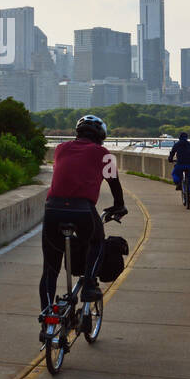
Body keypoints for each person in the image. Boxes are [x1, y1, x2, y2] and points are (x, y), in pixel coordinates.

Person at [40, 115, 126, 341]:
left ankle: (47, 317)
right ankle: (88, 283)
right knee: (97, 241)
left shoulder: (60, 148)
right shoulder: (103, 153)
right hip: (82, 210)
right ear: (100, 137)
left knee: (50, 268)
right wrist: (119, 206)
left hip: (52, 210)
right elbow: (114, 184)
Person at [168, 131, 190, 199]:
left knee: (174, 174)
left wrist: (170, 159)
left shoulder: (177, 144)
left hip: (180, 165)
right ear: (187, 138)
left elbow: (172, 153)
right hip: (188, 165)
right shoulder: (189, 144)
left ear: (179, 138)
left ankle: (179, 183)